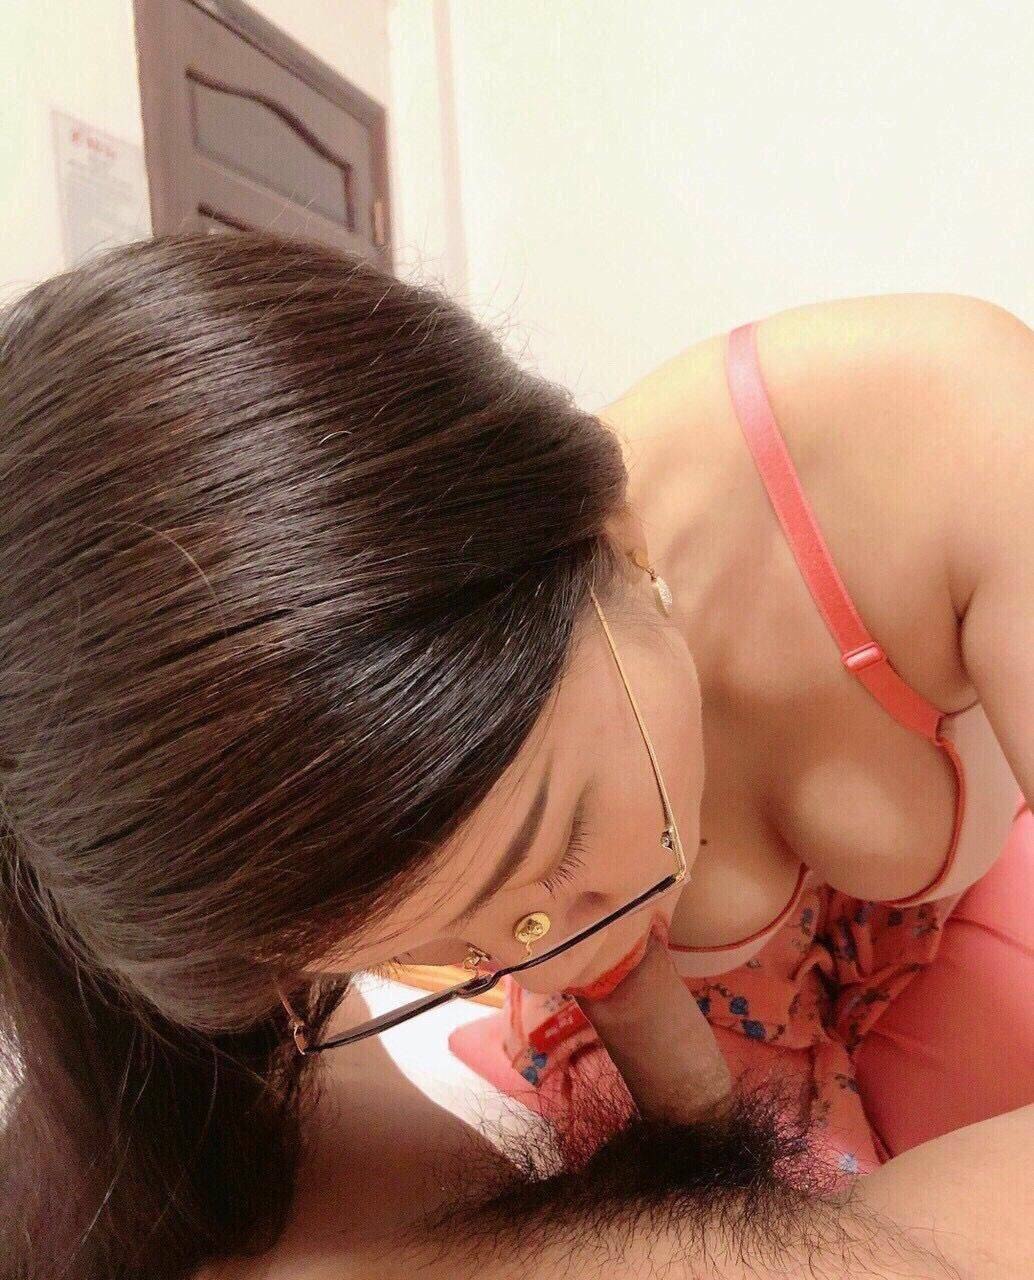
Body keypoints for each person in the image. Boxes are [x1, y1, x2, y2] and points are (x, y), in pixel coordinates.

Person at [0, 231, 1029, 1280]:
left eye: (563, 839)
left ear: (620, 536)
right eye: (446, 951)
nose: (553, 964)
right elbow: (717, 1151)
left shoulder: (950, 427)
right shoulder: (534, 919)